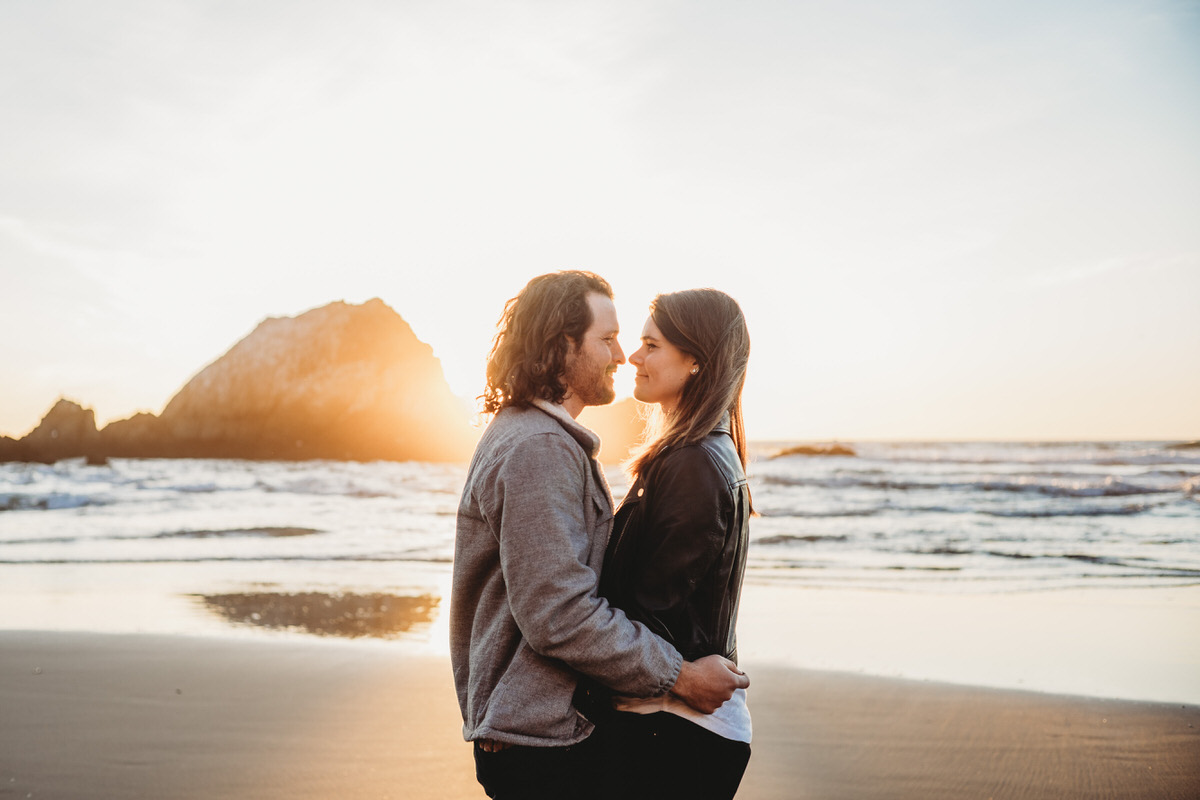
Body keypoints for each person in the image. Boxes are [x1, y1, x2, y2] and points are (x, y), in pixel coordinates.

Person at [450, 271, 749, 800]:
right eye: (608, 339)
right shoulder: (537, 448)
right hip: (539, 739)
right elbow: (560, 614)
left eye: (637, 342)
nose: (622, 355)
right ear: (563, 345)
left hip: (545, 729)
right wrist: (680, 675)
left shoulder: (544, 441)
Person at [593, 288, 754, 800]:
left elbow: (651, 610)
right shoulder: (707, 453)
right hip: (677, 724)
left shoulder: (692, 463)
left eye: (651, 345)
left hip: (675, 728)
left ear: (695, 363)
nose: (633, 358)